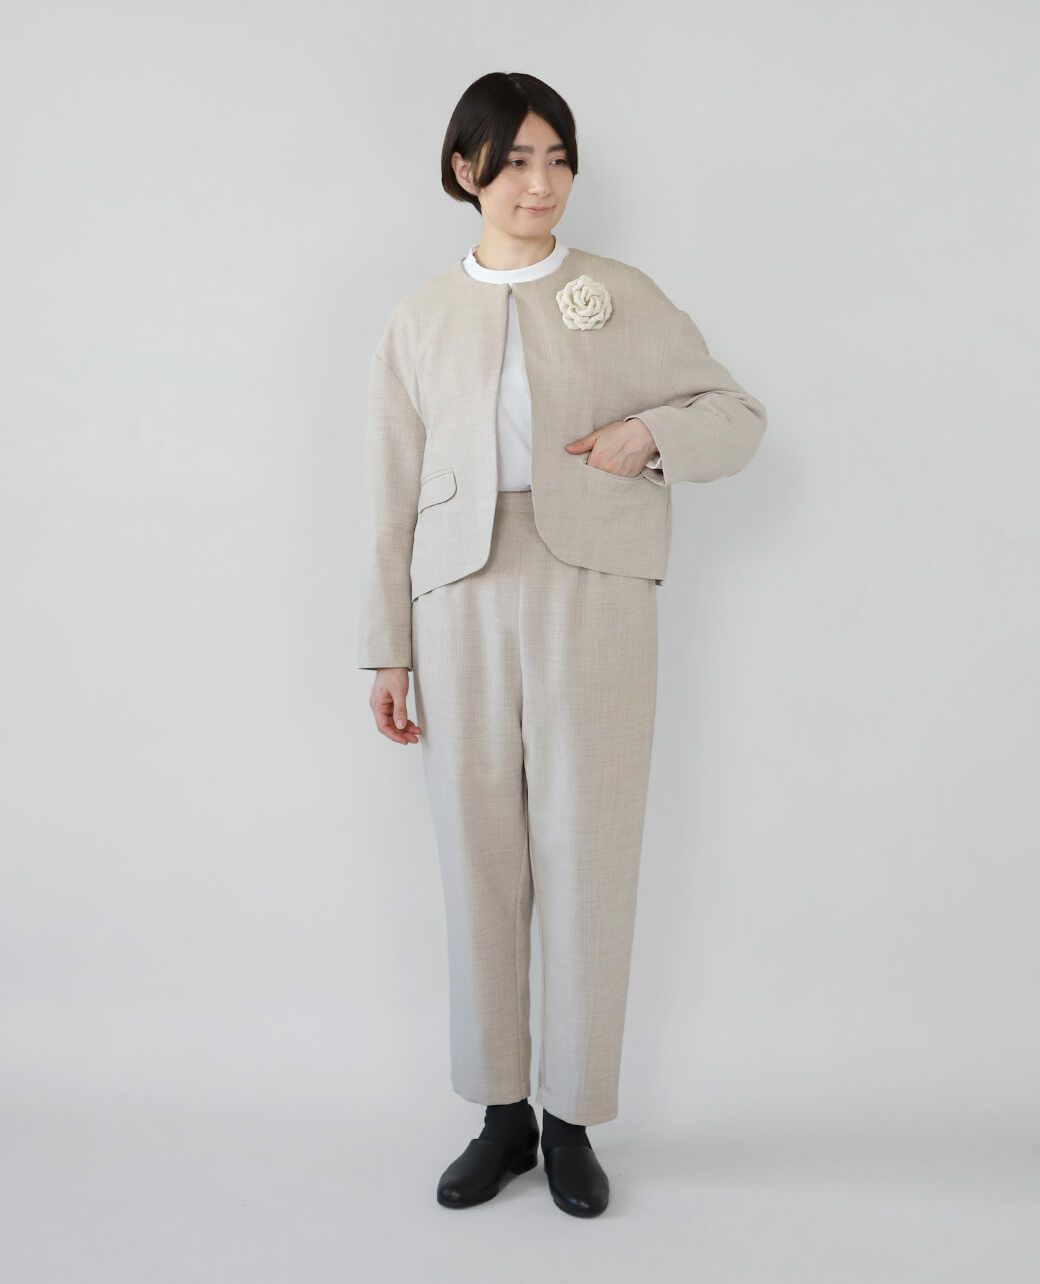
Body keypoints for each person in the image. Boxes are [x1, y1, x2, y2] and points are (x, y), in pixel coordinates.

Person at [358, 71, 767, 1217]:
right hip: (457, 594)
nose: (538, 183)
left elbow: (733, 416)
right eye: (514, 161)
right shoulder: (418, 318)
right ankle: (501, 1117)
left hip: (595, 583)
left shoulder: (619, 293)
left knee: (588, 846)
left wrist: (647, 432)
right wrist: (386, 647)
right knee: (476, 852)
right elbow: (389, 490)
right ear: (465, 172)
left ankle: (571, 1119)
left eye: (556, 158)